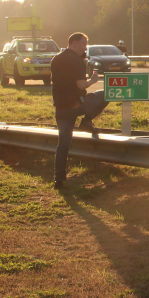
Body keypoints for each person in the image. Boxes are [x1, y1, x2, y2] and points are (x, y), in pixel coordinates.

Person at [50, 32, 109, 189]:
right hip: (77, 105)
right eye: (84, 44)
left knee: (63, 144)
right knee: (106, 94)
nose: (86, 47)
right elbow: (81, 85)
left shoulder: (56, 59)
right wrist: (93, 80)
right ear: (74, 44)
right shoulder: (76, 60)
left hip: (61, 108)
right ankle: (86, 121)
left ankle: (59, 179)